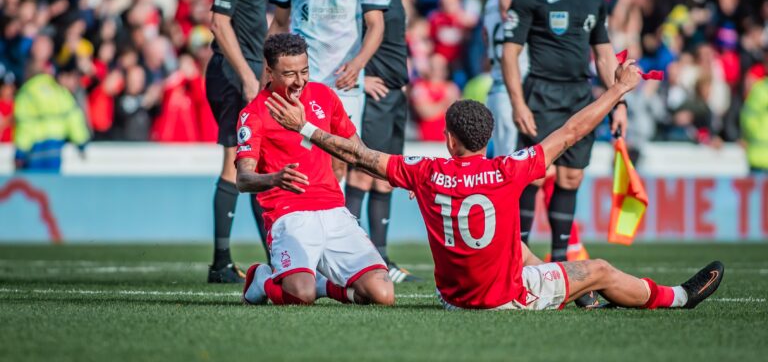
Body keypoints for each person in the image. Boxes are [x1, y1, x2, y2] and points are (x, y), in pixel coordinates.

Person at [265, 60, 724, 311]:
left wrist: (306, 130)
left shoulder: (426, 173)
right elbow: (571, 132)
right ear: (487, 139)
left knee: (517, 246)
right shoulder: (510, 168)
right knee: (598, 268)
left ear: (449, 139)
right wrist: (617, 90)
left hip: (452, 299)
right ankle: (677, 299)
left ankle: (572, 296)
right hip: (502, 300)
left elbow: (359, 155)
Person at [503, 0, 628, 282]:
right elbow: (510, 54)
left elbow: (603, 55)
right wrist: (518, 103)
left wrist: (618, 102)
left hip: (578, 95)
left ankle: (561, 265)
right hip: (539, 94)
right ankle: (518, 261)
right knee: (533, 176)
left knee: (571, 177)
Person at [238, 33, 394, 307]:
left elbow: (358, 152)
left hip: (334, 210)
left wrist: (402, 179)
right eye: (289, 74)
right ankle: (261, 278)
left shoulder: (324, 96)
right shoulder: (253, 114)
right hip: (288, 215)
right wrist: (274, 178)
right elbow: (243, 179)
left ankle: (328, 285)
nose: (299, 81)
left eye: (304, 71)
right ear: (269, 71)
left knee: (383, 295)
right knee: (301, 295)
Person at [268, 0, 387, 183]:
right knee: (300, 159)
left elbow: (376, 24)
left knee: (341, 160)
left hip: (344, 80)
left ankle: (333, 221)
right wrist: (266, 75)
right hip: (299, 80)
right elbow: (279, 23)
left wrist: (358, 64)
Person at [205, 0, 277, 283]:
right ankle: (219, 263)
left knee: (257, 162)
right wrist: (248, 75)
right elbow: (219, 20)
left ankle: (275, 253)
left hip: (246, 70)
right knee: (236, 161)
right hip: (235, 74)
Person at [343, 0, 418, 283]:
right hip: (372, 94)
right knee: (361, 172)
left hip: (394, 95)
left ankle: (381, 258)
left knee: (386, 177)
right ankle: (353, 255)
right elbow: (346, 36)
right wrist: (360, 77)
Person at [484, 0, 529, 158]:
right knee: (514, 165)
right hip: (513, 90)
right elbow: (510, 18)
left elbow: (486, 37)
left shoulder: (490, 1)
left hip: (498, 87)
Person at [14, 64, 89, 172]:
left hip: (33, 148)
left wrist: (20, 151)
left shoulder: (27, 91)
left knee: (34, 184)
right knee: (52, 185)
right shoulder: (59, 91)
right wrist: (81, 142)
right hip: (55, 147)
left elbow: (25, 123)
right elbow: (73, 118)